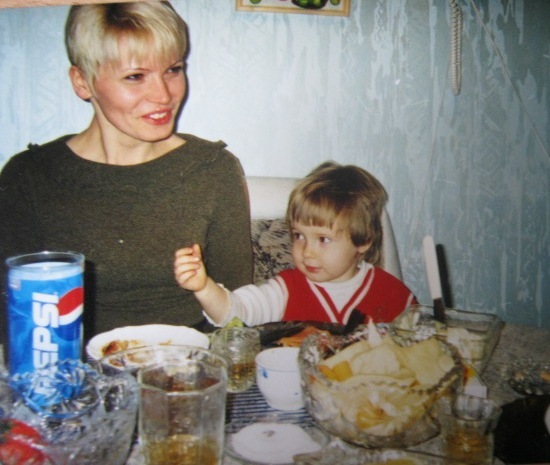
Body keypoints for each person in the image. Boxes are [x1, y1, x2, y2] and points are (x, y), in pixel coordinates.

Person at [0, 2, 253, 346]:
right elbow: (12, 320)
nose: (164, 95)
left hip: (190, 363)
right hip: (72, 364)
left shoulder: (212, 169)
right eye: (135, 76)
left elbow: (238, 315)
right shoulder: (29, 177)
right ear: (82, 82)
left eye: (173, 69)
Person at [174, 162, 416, 327]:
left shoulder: (394, 295)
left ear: (363, 240)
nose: (307, 252)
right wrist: (203, 287)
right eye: (299, 235)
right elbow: (238, 311)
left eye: (323, 239)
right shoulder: (287, 289)